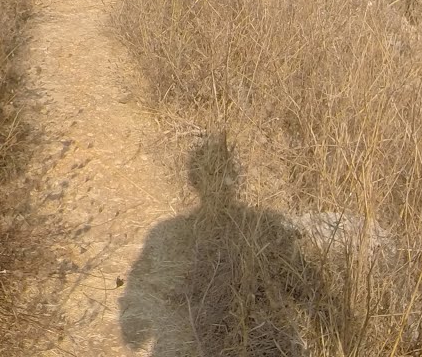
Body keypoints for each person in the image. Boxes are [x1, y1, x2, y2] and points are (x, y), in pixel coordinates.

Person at [119, 133, 349, 356]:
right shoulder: (267, 225)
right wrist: (337, 322)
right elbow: (308, 287)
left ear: (193, 181)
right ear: (237, 179)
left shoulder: (171, 233)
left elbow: (134, 335)